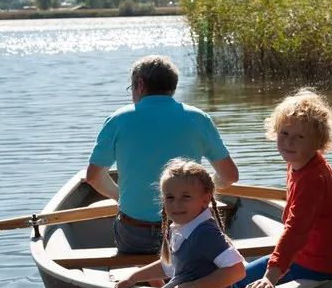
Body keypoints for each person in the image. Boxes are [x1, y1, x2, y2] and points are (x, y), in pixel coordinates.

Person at [86, 55, 239, 254]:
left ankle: (147, 279)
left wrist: (120, 196)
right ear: (172, 86)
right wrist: (197, 190)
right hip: (189, 229)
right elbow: (230, 176)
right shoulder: (199, 118)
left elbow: (93, 177)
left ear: (140, 84)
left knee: (127, 229)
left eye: (131, 88)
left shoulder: (118, 119)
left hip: (136, 232)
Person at [235, 88, 332, 288]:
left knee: (233, 282)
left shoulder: (312, 180)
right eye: (284, 133)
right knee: (237, 273)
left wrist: (271, 276)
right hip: (316, 255)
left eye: (299, 137)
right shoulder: (300, 161)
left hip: (316, 262)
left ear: (319, 142)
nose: (289, 142)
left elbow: (296, 230)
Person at [114, 158, 246, 288]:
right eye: (170, 197)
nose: (177, 204)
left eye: (186, 197)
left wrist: (195, 286)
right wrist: (133, 277)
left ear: (205, 200)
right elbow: (170, 266)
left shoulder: (204, 233)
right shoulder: (181, 228)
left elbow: (237, 271)